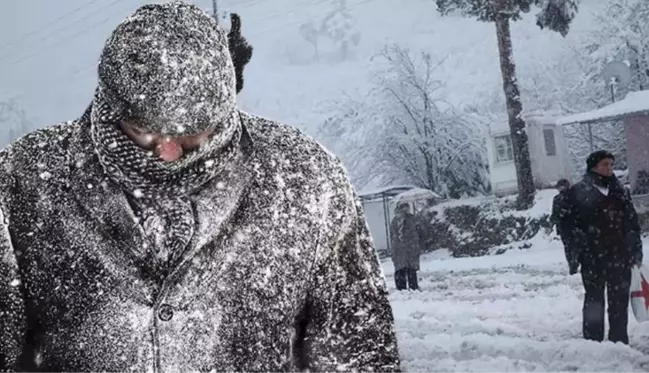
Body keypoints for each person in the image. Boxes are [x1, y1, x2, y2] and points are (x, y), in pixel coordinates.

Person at [0, 3, 400, 372]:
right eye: (143, 131)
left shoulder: (305, 179)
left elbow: (359, 352)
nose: (170, 153)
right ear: (109, 106)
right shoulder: (24, 181)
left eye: (193, 134)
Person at [561, 150, 643, 345]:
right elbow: (568, 226)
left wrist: (635, 247)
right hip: (593, 256)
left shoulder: (619, 190)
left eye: (610, 164)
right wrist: (576, 252)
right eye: (605, 164)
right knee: (594, 301)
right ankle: (593, 341)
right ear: (593, 167)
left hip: (619, 254)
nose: (609, 168)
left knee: (619, 300)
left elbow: (631, 222)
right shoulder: (579, 192)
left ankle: (618, 340)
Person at [390, 202, 423, 290]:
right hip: (406, 247)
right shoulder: (409, 219)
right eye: (406, 207)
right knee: (406, 268)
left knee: (405, 268)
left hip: (405, 247)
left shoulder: (398, 219)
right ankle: (408, 287)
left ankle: (404, 287)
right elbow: (417, 231)